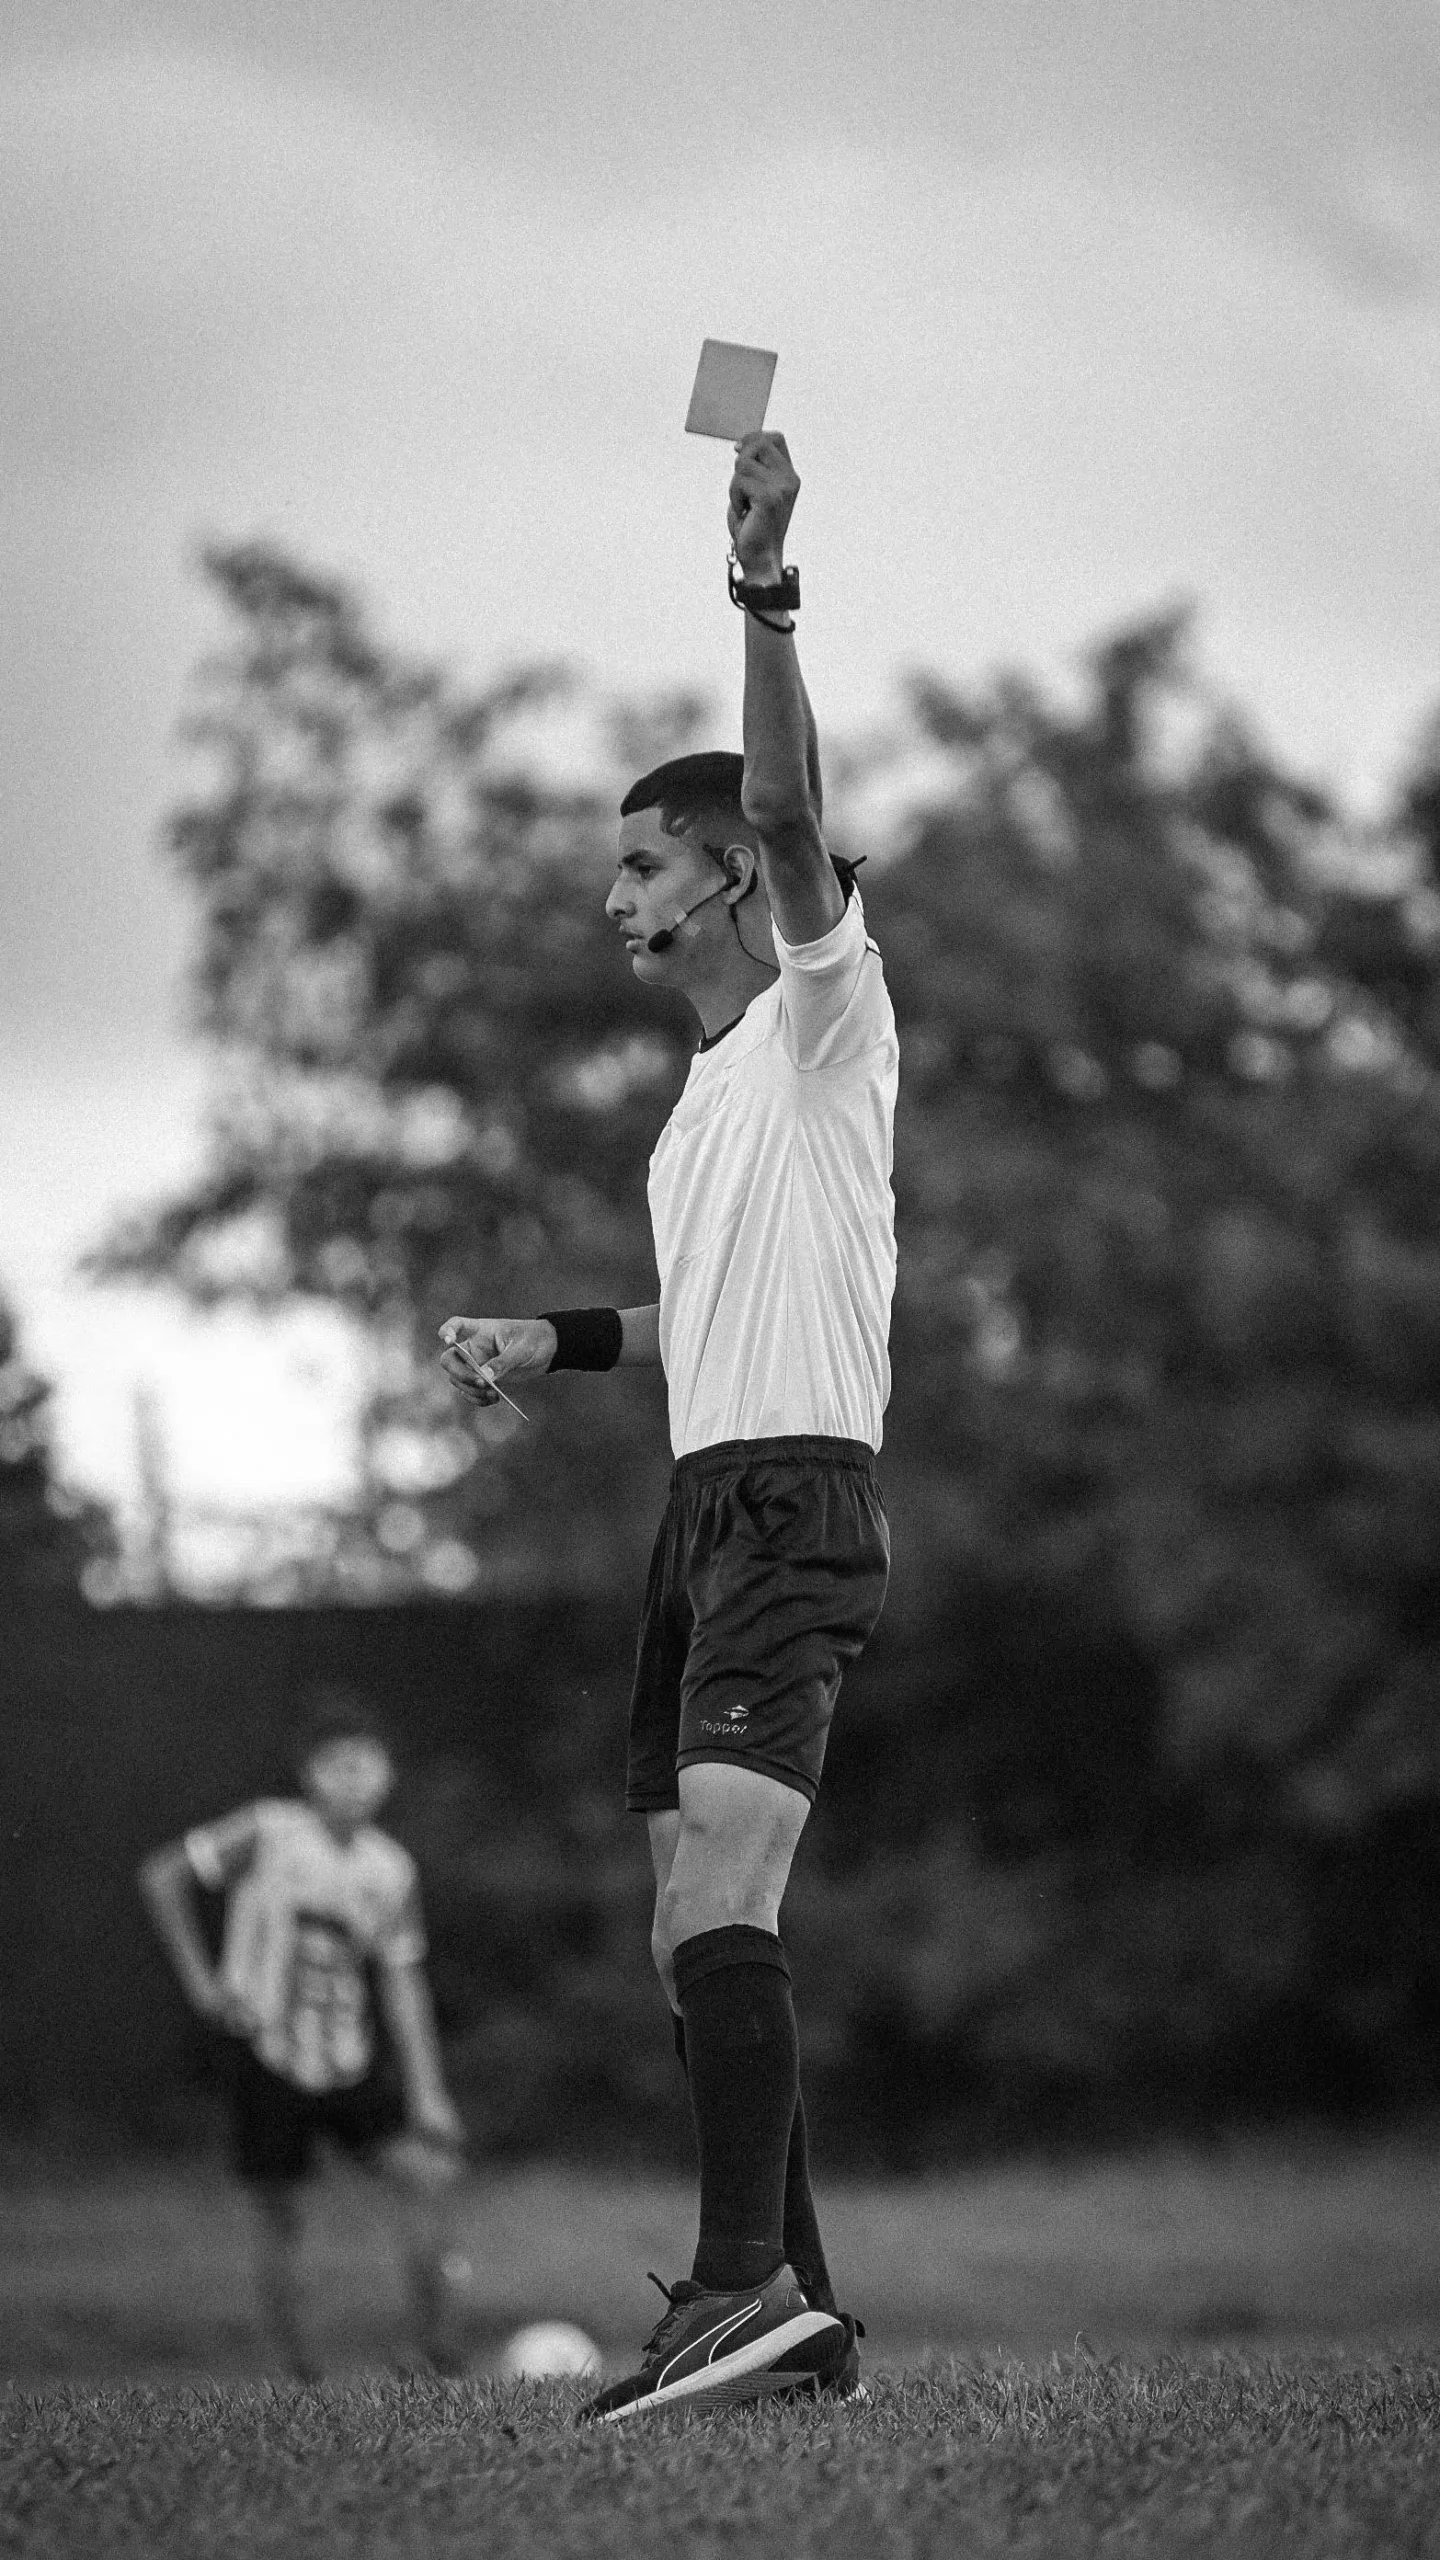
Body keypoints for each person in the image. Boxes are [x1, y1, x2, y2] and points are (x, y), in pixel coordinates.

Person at [441, 429, 897, 2420]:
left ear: (729, 881)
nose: (609, 886)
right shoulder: (710, 1098)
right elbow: (702, 1314)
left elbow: (798, 808)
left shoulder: (818, 1015)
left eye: (641, 857)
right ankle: (794, 2306)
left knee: (724, 1885)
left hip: (793, 1506)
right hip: (700, 1505)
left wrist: (765, 589)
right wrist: (558, 1340)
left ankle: (729, 2290)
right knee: (682, 1912)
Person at [137, 1685, 468, 2379]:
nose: (354, 1779)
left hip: (348, 2059)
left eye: (368, 1764)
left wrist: (429, 2089)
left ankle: (431, 2352)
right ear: (308, 1773)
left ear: (388, 1775)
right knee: (279, 2214)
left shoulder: (390, 1868)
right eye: (337, 1764)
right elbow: (163, 1876)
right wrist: (202, 1983)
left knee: (430, 2173)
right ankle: (297, 2375)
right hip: (266, 2054)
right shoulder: (266, 1831)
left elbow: (401, 1981)